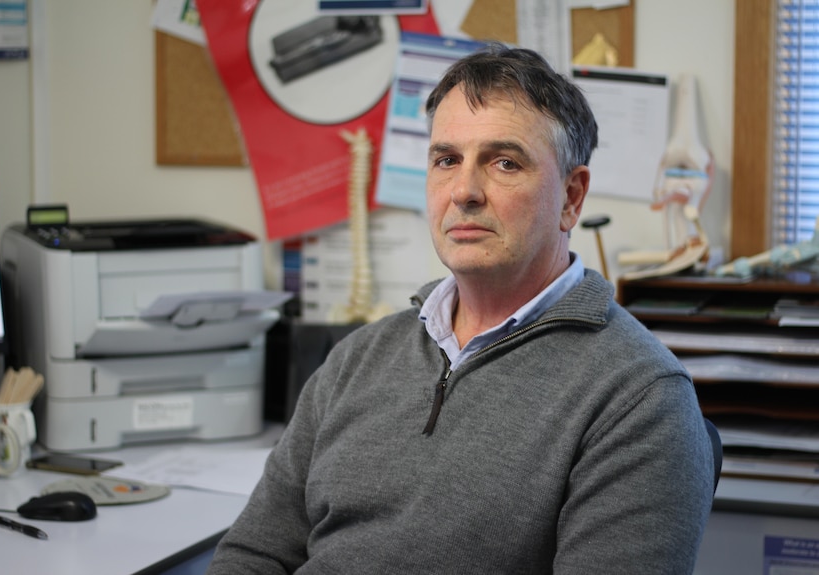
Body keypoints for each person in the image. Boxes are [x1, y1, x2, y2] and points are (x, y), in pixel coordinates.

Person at [207, 43, 714, 574]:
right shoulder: (356, 359)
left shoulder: (639, 398)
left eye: (504, 163)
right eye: (447, 160)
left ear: (571, 198)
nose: (464, 191)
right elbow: (253, 554)